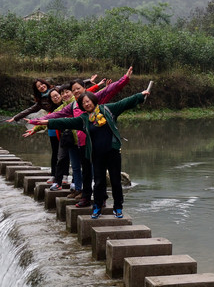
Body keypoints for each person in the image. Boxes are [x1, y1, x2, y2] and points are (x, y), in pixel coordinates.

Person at [30, 84, 148, 219]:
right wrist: (42, 122)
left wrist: (140, 95)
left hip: (113, 153)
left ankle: (118, 207)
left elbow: (124, 103)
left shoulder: (108, 110)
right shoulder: (84, 119)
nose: (86, 104)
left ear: (93, 100)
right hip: (96, 155)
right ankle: (97, 207)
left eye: (88, 101)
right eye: (83, 103)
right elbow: (63, 122)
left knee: (115, 181)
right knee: (98, 182)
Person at [41, 67, 133, 198]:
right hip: (78, 142)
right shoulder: (71, 106)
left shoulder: (92, 100)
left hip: (94, 142)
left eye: (76, 89)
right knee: (82, 170)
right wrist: (37, 123)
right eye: (72, 90)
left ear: (85, 88)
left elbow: (110, 90)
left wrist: (125, 79)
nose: (74, 92)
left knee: (96, 171)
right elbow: (56, 116)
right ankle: (84, 193)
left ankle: (100, 198)